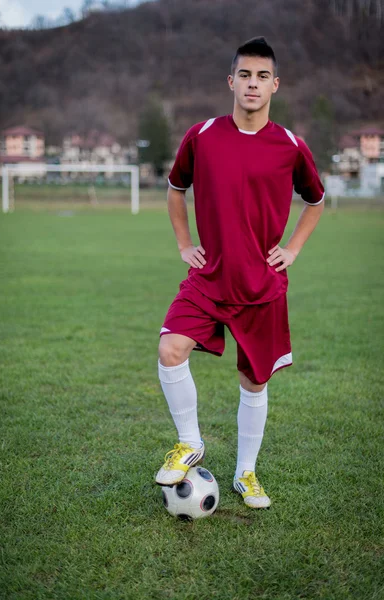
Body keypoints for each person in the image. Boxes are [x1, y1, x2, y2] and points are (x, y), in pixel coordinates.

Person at [155, 37, 325, 508]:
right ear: (231, 81)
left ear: (275, 85)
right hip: (209, 277)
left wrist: (292, 249)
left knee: (255, 383)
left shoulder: (290, 145)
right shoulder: (202, 135)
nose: (253, 84)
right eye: (245, 75)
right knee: (170, 349)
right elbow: (175, 189)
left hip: (261, 285)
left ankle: (245, 474)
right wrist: (185, 243)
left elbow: (316, 201)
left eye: (262, 76)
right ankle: (190, 443)